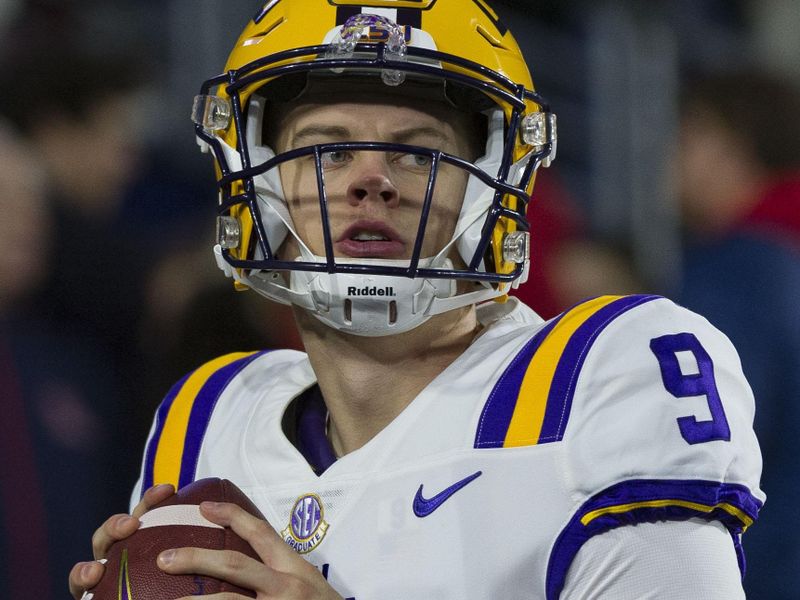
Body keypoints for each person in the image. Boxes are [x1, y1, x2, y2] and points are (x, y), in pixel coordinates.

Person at [70, 1, 764, 598]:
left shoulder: (594, 382)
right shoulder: (207, 418)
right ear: (259, 188)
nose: (370, 180)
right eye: (329, 150)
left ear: (491, 187)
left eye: (416, 153)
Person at [676, 70, 800, 599]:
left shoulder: (742, 266)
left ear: (729, 149)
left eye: (686, 135)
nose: (672, 154)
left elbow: (713, 452)